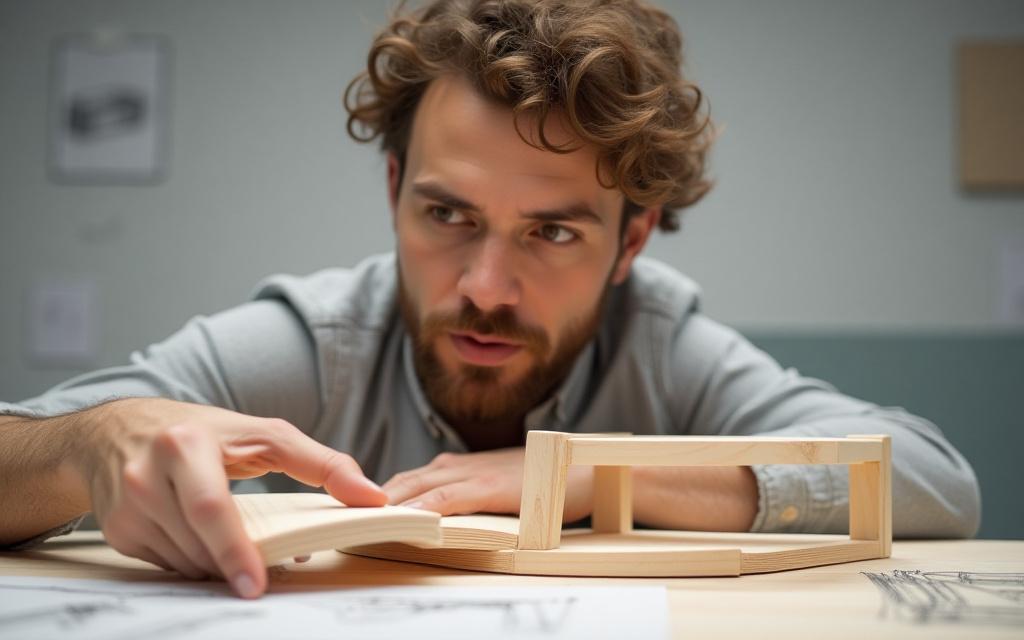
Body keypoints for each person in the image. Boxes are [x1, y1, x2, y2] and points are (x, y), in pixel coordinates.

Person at [0, 0, 980, 599]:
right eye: (446, 214)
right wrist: (93, 440)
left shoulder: (662, 349)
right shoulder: (313, 343)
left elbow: (935, 482)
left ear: (631, 239)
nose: (482, 287)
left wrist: (591, 478)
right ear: (393, 194)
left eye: (552, 231)